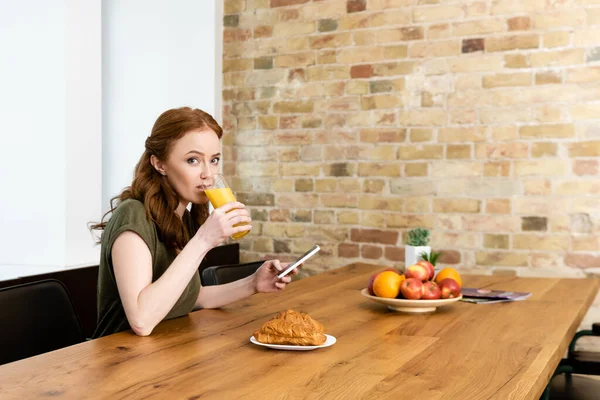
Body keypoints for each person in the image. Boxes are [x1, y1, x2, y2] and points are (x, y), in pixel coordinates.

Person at [90, 107, 297, 338]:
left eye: (214, 160)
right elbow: (141, 320)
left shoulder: (182, 216)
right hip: (119, 360)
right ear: (160, 164)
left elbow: (191, 296)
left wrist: (253, 283)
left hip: (167, 351)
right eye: (193, 160)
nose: (208, 173)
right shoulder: (134, 214)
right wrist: (204, 239)